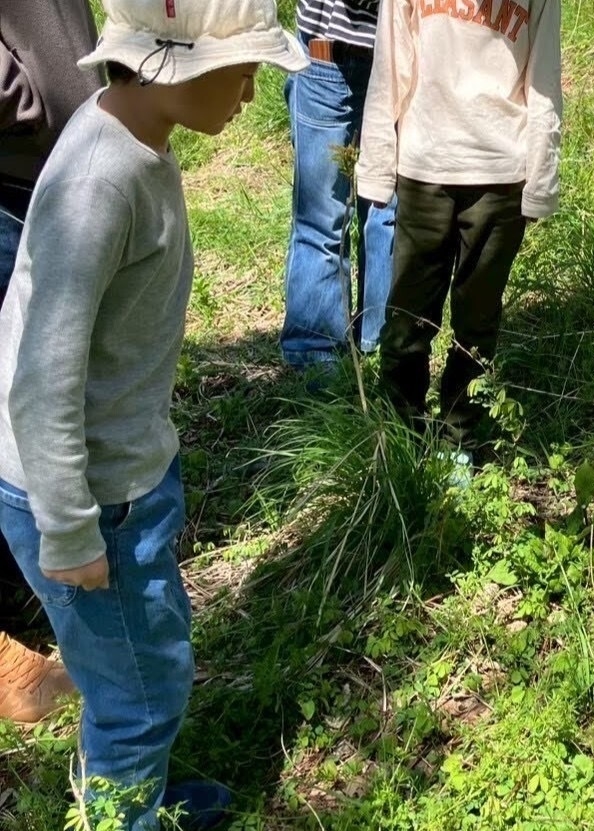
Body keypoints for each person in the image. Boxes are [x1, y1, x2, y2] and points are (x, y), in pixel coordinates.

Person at [0, 0, 307, 828]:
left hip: (121, 470)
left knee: (137, 657)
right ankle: (126, 813)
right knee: (138, 692)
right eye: (243, 71)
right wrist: (69, 529)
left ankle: (142, 792)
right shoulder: (100, 183)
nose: (251, 94)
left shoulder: (134, 139)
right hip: (89, 497)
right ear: (175, 63)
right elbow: (40, 374)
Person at [356, 0, 562, 450]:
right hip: (424, 166)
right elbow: (389, 68)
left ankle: (459, 441)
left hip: (500, 174)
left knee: (477, 324)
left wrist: (540, 181)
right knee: (407, 320)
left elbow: (544, 80)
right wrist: (376, 167)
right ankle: (400, 438)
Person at [0, 0, 103, 726]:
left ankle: (36, 580)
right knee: (18, 401)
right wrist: (23, 102)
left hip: (53, 165)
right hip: (12, 166)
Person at [279, 0, 396, 370]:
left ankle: (378, 350)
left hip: (399, 56)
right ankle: (318, 363)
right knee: (324, 219)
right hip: (327, 54)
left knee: (385, 210)